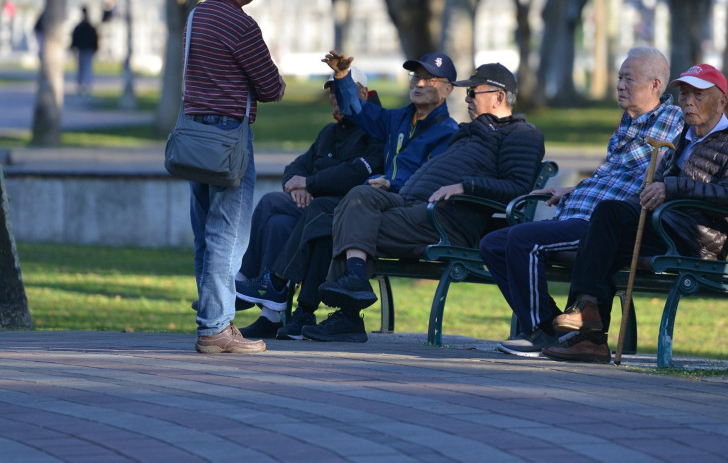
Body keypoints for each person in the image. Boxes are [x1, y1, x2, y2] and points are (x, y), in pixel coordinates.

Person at [303, 61, 546, 343]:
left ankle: (347, 315)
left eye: (473, 93)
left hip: (446, 221)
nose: (466, 99)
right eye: (466, 94)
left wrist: (465, 186)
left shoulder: (522, 134)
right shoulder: (469, 133)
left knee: (348, 220)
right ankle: (354, 281)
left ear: (499, 96)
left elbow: (517, 187)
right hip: (413, 207)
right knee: (360, 196)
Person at [237, 52, 460, 341]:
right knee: (312, 213)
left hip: (405, 206)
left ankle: (280, 287)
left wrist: (391, 184)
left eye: (429, 79)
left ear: (447, 89)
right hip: (374, 201)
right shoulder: (399, 119)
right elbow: (355, 109)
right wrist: (341, 76)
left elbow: (431, 179)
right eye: (416, 77)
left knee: (325, 212)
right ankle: (292, 301)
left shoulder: (447, 131)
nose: (419, 83)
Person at [543, 63, 728, 363]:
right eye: (683, 95)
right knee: (608, 220)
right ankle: (589, 327)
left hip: (696, 238)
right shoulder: (684, 138)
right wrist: (647, 195)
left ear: (721, 100)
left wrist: (672, 188)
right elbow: (658, 185)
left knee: (609, 225)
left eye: (697, 95)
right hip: (666, 226)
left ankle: (587, 325)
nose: (687, 102)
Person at [479, 47, 684, 357]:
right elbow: (612, 174)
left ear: (655, 84)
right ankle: (550, 327)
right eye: (619, 78)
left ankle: (537, 333)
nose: (619, 85)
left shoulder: (669, 119)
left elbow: (644, 168)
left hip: (600, 225)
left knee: (523, 240)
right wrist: (573, 189)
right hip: (576, 214)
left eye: (628, 79)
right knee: (492, 244)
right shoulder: (628, 123)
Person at [187, 0, 286, 354]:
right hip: (229, 137)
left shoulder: (197, 15)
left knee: (206, 233)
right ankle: (215, 328)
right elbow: (272, 87)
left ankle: (217, 320)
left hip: (194, 136)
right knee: (229, 234)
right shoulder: (241, 25)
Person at [234, 68, 384, 339]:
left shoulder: (376, 131)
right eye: (332, 93)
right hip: (314, 205)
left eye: (342, 91)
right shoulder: (329, 132)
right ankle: (260, 301)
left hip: (347, 210)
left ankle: (283, 295)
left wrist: (311, 184)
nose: (335, 98)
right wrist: (297, 186)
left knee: (316, 223)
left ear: (363, 93)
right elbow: (295, 168)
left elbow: (356, 173)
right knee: (273, 208)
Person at [70, 5, 99, 96]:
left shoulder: (86, 27)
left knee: (85, 68)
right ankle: (82, 86)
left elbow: (94, 39)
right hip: (83, 50)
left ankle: (84, 86)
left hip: (86, 50)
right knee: (84, 68)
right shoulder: (85, 27)